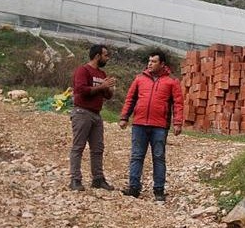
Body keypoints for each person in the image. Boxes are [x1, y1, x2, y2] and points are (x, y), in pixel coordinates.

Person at [119, 51, 183, 201]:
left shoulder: (172, 81)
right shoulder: (139, 79)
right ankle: (134, 188)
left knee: (159, 157)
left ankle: (159, 190)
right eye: (149, 61)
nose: (150, 64)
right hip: (139, 124)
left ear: (162, 64)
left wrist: (178, 123)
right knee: (136, 156)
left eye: (154, 61)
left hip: (160, 126)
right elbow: (130, 99)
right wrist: (124, 117)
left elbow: (178, 104)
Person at [69, 44, 117, 191]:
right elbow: (81, 90)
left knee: (98, 149)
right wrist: (102, 87)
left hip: (96, 115)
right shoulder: (82, 70)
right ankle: (75, 180)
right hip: (82, 112)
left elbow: (107, 96)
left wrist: (109, 87)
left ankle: (98, 179)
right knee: (78, 147)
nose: (107, 58)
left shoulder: (102, 74)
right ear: (97, 56)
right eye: (105, 55)